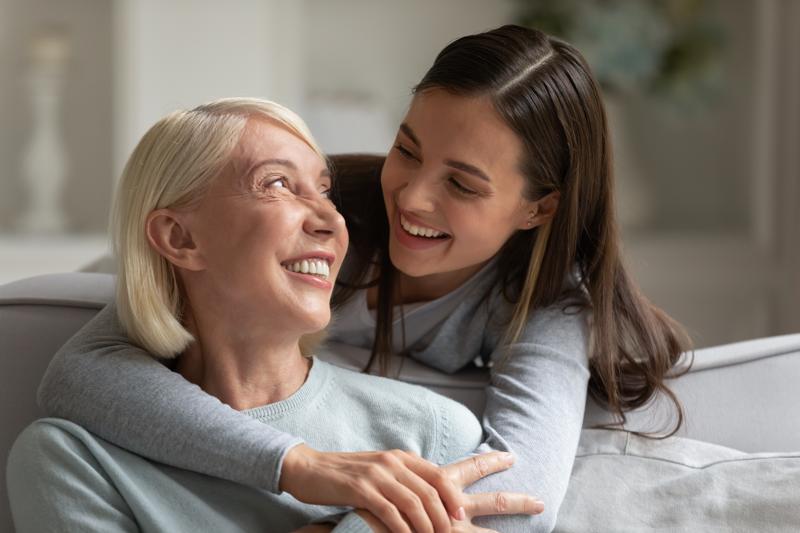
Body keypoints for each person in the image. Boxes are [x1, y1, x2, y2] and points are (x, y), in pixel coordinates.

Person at [36, 25, 689, 532]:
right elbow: (78, 371)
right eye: (406, 150)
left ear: (537, 208)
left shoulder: (545, 307)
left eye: (461, 183)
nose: (411, 198)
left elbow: (517, 504)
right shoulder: (333, 212)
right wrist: (303, 465)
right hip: (135, 271)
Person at [7, 98, 543, 533]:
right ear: (179, 237)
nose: (331, 220)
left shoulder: (431, 432)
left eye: (327, 191)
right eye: (279, 183)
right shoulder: (73, 462)